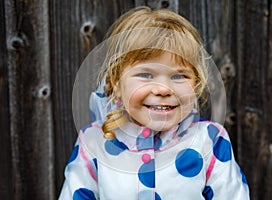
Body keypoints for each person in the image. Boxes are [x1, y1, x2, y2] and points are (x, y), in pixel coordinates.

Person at [59, 6, 250, 200]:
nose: (163, 89)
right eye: (146, 75)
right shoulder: (95, 141)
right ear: (116, 83)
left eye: (178, 76)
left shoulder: (209, 140)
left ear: (196, 84)